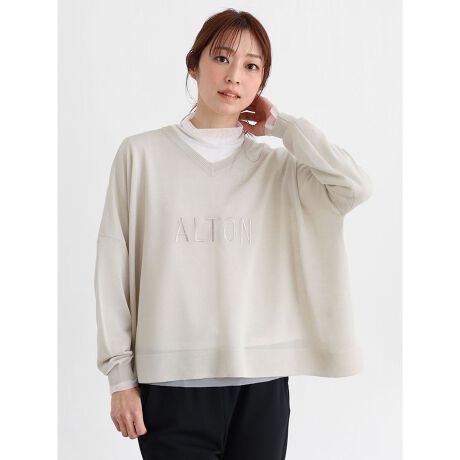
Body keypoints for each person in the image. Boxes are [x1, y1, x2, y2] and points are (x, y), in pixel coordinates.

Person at [94, 8, 373, 460]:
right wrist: (120, 378)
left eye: (251, 66)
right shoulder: (141, 156)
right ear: (194, 64)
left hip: (261, 388)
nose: (234, 76)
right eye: (222, 58)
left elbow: (354, 187)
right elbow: (113, 268)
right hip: (169, 389)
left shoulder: (276, 167)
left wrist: (282, 126)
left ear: (261, 82)